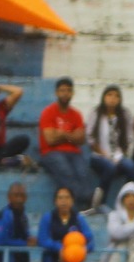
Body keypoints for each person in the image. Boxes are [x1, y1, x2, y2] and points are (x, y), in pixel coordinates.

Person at [39, 77, 94, 211]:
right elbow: (50, 140)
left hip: (73, 152)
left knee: (83, 172)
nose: (65, 93)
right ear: (56, 93)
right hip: (50, 153)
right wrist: (70, 135)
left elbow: (81, 139)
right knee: (65, 171)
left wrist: (61, 134)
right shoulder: (48, 112)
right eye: (62, 90)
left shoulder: (76, 114)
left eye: (68, 90)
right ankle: (86, 201)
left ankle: (85, 203)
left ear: (72, 93)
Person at [89, 85, 134, 207]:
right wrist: (105, 155)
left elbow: (129, 137)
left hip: (118, 156)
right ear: (104, 97)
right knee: (109, 167)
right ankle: (101, 203)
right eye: (109, 95)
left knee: (131, 167)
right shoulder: (96, 113)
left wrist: (119, 156)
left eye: (116, 96)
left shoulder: (125, 114)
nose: (113, 99)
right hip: (99, 156)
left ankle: (127, 202)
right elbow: (90, 139)